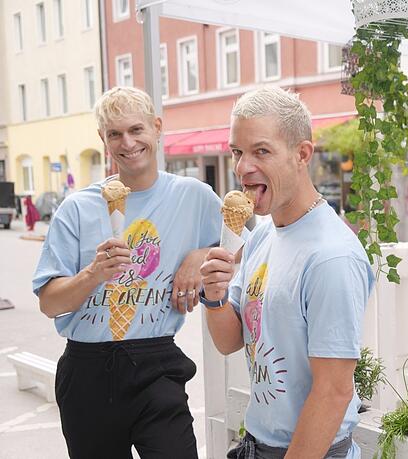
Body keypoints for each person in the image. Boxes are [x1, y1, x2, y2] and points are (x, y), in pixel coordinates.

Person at [32, 86, 222, 459]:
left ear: (157, 127)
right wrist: (92, 274)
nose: (128, 142)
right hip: (87, 369)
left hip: (157, 363)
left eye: (136, 130)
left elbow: (249, 243)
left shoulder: (194, 196)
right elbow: (49, 304)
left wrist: (200, 254)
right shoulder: (77, 209)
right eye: (115, 133)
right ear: (103, 140)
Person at [200, 86, 374, 458]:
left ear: (302, 154)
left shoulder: (331, 256)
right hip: (257, 445)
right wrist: (213, 298)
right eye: (237, 152)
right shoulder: (263, 235)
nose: (243, 168)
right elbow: (230, 341)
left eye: (261, 151)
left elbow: (334, 391)